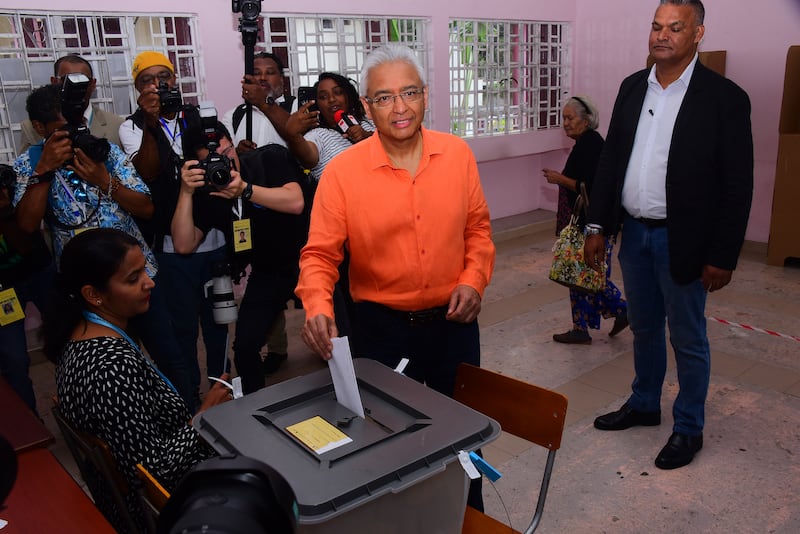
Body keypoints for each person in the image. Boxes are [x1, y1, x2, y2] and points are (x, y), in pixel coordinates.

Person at [295, 44, 495, 509]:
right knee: (385, 447)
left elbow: (479, 231)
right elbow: (320, 254)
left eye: (409, 93)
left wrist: (474, 279)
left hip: (454, 326)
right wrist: (318, 308)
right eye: (383, 98)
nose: (399, 107)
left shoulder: (457, 155)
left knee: (466, 440)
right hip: (381, 334)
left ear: (426, 96)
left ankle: (470, 515)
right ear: (365, 107)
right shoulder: (343, 172)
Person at [585, 0, 753, 470]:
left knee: (688, 337)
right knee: (643, 328)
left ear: (698, 34)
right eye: (656, 26)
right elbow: (611, 160)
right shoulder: (632, 87)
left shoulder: (724, 98)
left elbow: (738, 185)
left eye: (674, 28)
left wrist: (723, 254)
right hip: (634, 235)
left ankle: (688, 427)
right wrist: (598, 224)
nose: (661, 35)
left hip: (685, 241)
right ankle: (643, 403)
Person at [44, 228, 231, 531]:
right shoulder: (110, 368)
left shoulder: (81, 335)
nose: (150, 282)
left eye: (145, 269)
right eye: (133, 279)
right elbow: (152, 472)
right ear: (93, 294)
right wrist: (204, 417)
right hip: (162, 511)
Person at [119, 51, 230, 406]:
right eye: (147, 80)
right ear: (137, 89)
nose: (157, 85)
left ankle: (222, 389)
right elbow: (149, 172)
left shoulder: (196, 115)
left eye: (163, 78)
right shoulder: (132, 126)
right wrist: (153, 123)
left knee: (218, 323)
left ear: (175, 80)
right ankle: (190, 396)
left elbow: (220, 162)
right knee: (182, 326)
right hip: (169, 245)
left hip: (213, 237)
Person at [170, 122, 307, 395]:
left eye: (226, 152)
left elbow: (295, 202)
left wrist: (245, 189)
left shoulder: (268, 158)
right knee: (244, 347)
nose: (224, 163)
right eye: (210, 161)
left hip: (310, 260)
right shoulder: (209, 193)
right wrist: (185, 192)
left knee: (340, 333)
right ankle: (254, 411)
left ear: (233, 145)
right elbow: (184, 244)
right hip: (269, 271)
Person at [221, 51, 297, 375]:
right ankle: (276, 346)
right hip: (257, 217)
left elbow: (303, 146)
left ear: (282, 79)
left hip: (297, 215)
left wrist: (265, 102)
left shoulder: (294, 109)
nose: (264, 78)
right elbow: (226, 161)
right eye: (257, 73)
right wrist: (238, 154)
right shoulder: (234, 116)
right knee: (266, 291)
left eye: (271, 73)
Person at [542, 96, 628, 344]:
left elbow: (591, 186)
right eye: (564, 118)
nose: (565, 123)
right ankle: (582, 327)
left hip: (595, 225)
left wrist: (560, 179)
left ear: (586, 120)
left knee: (589, 275)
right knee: (579, 275)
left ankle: (623, 311)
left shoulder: (591, 145)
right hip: (589, 223)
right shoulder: (586, 143)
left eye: (570, 118)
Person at [0, 164, 54, 414]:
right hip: (3, 290)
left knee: (66, 339)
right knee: (14, 360)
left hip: (39, 272)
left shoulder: (11, 178)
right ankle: (32, 428)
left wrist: (6, 208)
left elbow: (25, 235)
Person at [19, 54, 124, 151]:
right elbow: (24, 169)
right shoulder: (32, 127)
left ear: (92, 84)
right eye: (67, 80)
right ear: (54, 82)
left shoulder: (116, 125)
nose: (75, 86)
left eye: (83, 80)